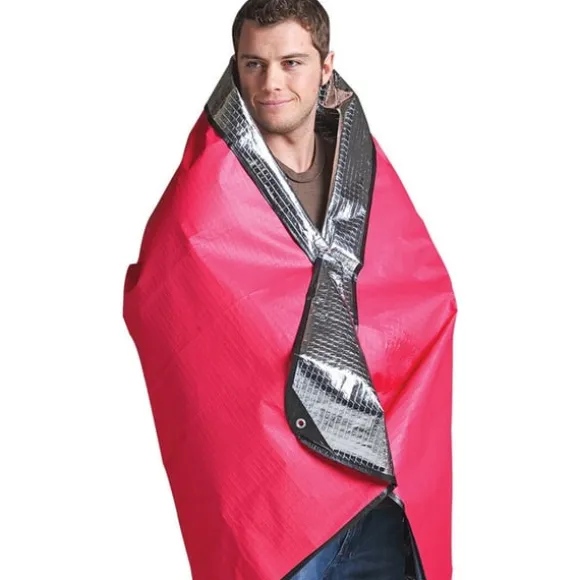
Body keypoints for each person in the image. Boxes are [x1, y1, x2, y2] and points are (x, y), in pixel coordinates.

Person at [123, 1, 457, 579]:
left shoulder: (362, 167)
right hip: (280, 512)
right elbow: (160, 304)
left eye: (291, 63)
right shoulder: (206, 196)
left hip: (381, 503)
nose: (271, 83)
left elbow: (423, 296)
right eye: (253, 64)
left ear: (326, 67)